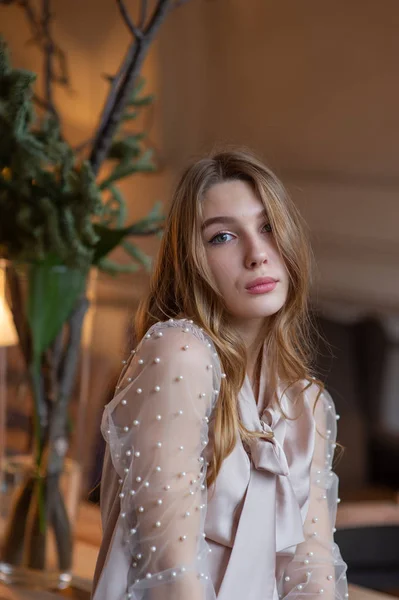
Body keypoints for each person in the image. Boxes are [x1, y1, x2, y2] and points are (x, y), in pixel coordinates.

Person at [91, 149, 348, 600]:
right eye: (223, 237)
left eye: (268, 227)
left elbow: (314, 575)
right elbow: (171, 575)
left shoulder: (308, 406)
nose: (257, 255)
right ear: (192, 261)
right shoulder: (181, 353)